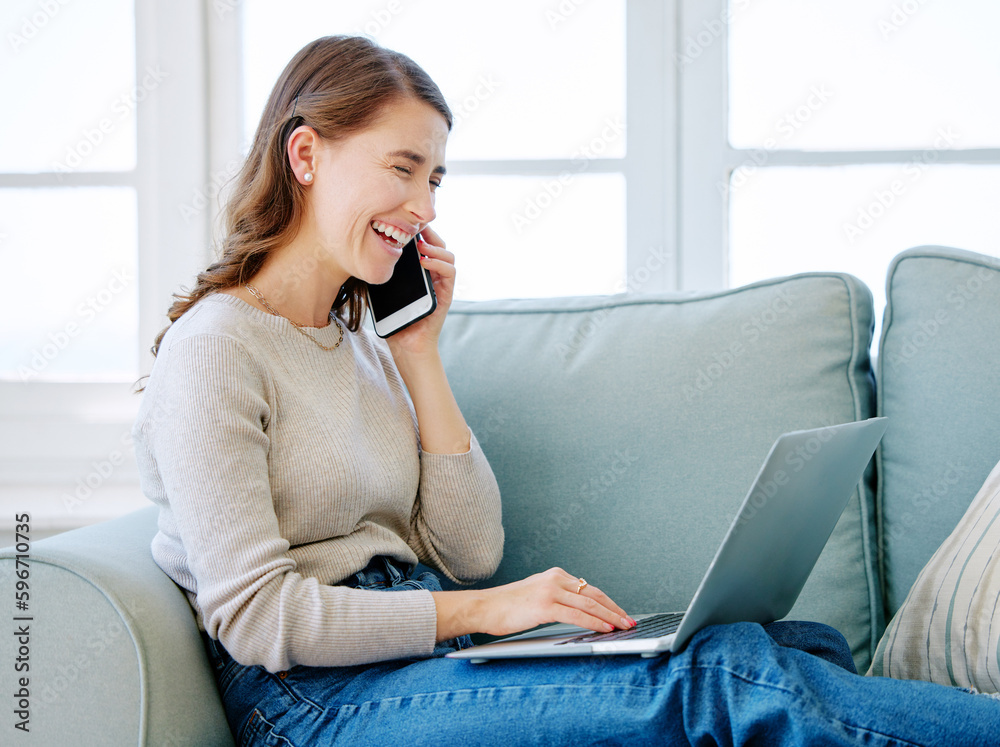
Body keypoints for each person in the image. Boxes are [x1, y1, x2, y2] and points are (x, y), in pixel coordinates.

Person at [133, 35, 1000, 745]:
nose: (424, 207)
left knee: (773, 643)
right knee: (723, 682)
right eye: (402, 168)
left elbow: (465, 546)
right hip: (312, 701)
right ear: (306, 154)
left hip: (420, 649)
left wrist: (422, 355)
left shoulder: (362, 335)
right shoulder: (216, 349)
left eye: (434, 178)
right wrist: (487, 609)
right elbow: (258, 617)